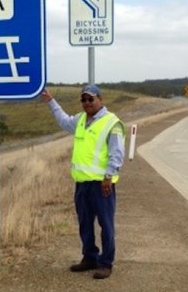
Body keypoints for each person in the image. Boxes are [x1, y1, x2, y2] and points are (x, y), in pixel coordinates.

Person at [41, 84, 125, 279]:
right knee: (85, 224)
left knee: (106, 224)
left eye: (91, 99)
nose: (87, 103)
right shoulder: (80, 120)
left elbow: (117, 154)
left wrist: (108, 177)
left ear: (100, 100)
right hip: (82, 184)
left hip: (102, 184)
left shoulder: (112, 123)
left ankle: (106, 263)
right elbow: (63, 121)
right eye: (84, 100)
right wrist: (51, 101)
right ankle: (89, 258)